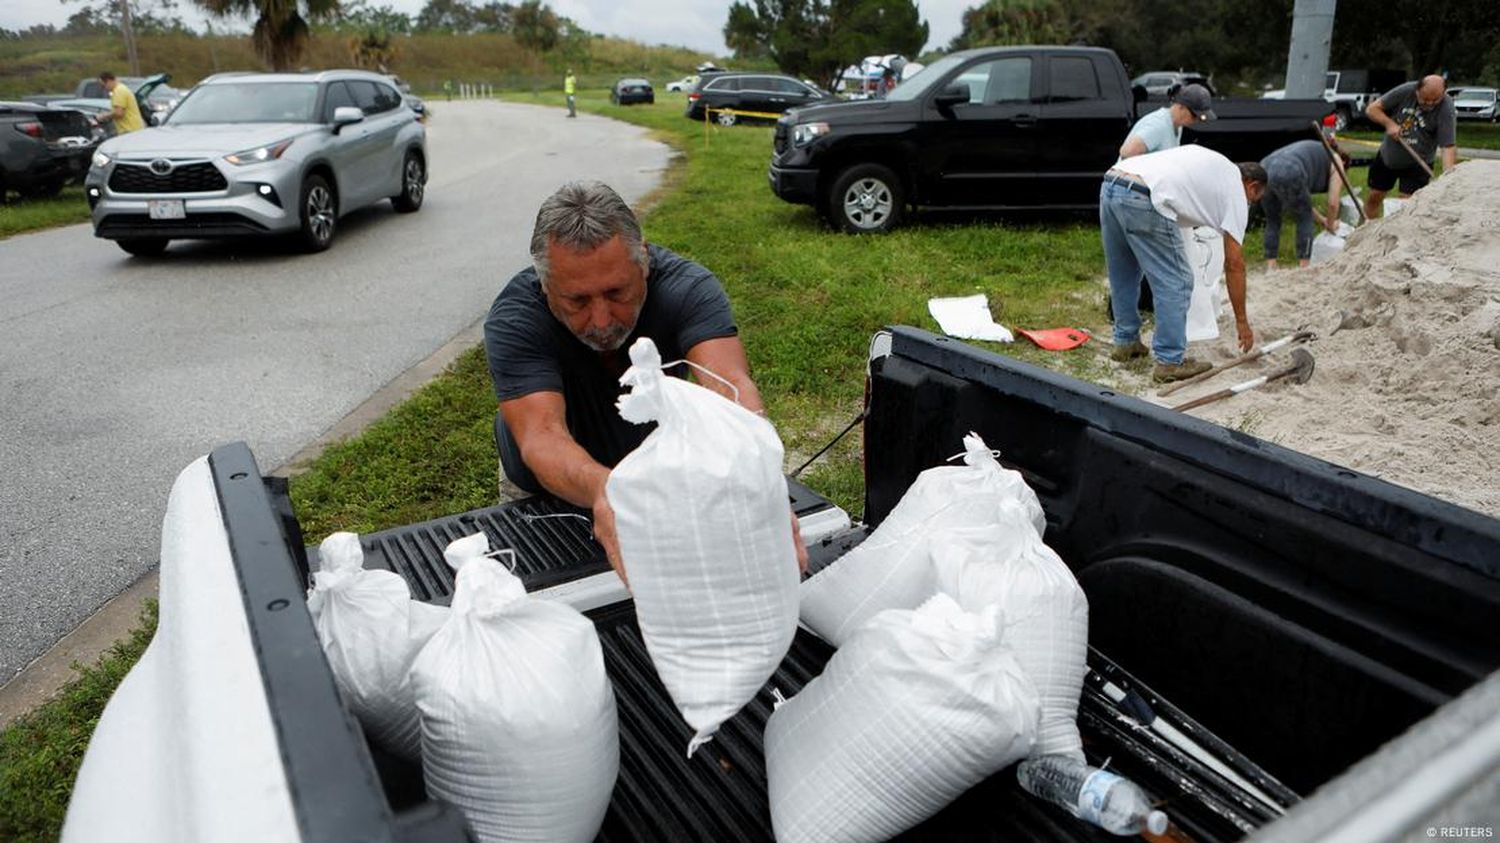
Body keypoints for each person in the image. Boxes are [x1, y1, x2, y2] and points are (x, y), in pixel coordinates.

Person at [483, 180, 804, 580]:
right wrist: (605, 490)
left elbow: (729, 387)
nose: (601, 321)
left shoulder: (688, 290)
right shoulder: (516, 318)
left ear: (644, 261)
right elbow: (543, 434)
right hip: (544, 490)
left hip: (655, 476)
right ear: (546, 286)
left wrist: (756, 470)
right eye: (577, 301)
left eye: (617, 292)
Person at [1100, 145, 1267, 382]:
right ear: (1252, 186)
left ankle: (1126, 342)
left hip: (1112, 183)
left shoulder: (1213, 165)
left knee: (1123, 273)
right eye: (1254, 199)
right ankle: (1169, 361)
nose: (1250, 204)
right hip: (1146, 197)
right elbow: (1235, 264)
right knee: (1176, 282)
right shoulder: (1236, 191)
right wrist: (1242, 322)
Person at [1363, 75, 1457, 219]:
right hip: (1389, 157)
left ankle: (1397, 238)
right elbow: (1372, 109)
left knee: (1406, 207)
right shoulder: (1405, 91)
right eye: (1425, 100)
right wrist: (1389, 124)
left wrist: (1448, 177)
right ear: (1417, 90)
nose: (1429, 105)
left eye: (1434, 101)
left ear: (1443, 94)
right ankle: (1364, 234)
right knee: (1374, 197)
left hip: (1419, 163)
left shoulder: (1446, 107)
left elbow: (1448, 146)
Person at [1259, 139, 1347, 268]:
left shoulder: (1316, 152)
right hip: (1289, 168)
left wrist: (1323, 220)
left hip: (1264, 167)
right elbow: (1333, 203)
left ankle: (1271, 266)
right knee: (1304, 219)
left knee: (1272, 220)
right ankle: (1304, 267)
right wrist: (1330, 225)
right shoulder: (1337, 161)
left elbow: (1302, 203)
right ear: (1345, 162)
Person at [1117, 84, 1215, 160]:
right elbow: (1126, 152)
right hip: (1125, 184)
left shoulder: (1177, 126)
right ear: (1181, 107)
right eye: (1194, 115)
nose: (1196, 120)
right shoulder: (1158, 125)